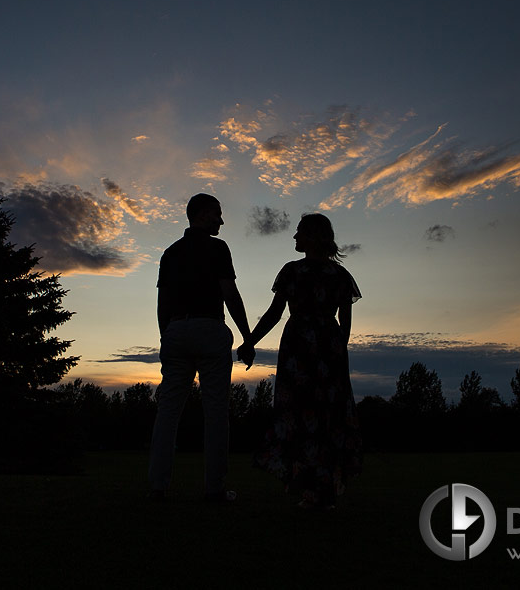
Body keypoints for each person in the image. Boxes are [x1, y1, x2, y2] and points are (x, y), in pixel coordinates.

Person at [239, 212, 362, 509]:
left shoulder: (293, 271)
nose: (294, 237)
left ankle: (311, 488)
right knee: (323, 417)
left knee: (301, 414)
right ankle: (319, 489)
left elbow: (274, 314)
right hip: (326, 348)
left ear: (312, 236)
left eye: (299, 232)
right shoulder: (339, 276)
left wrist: (250, 341)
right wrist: (336, 352)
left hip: (300, 347)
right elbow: (344, 324)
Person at [148, 194, 254, 501]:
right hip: (209, 328)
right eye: (217, 214)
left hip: (176, 331)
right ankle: (214, 488)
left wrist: (165, 336)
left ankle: (158, 486)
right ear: (203, 214)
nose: (221, 221)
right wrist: (247, 336)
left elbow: (162, 303)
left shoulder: (170, 253)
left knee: (168, 412)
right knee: (216, 411)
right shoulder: (217, 248)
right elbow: (230, 294)